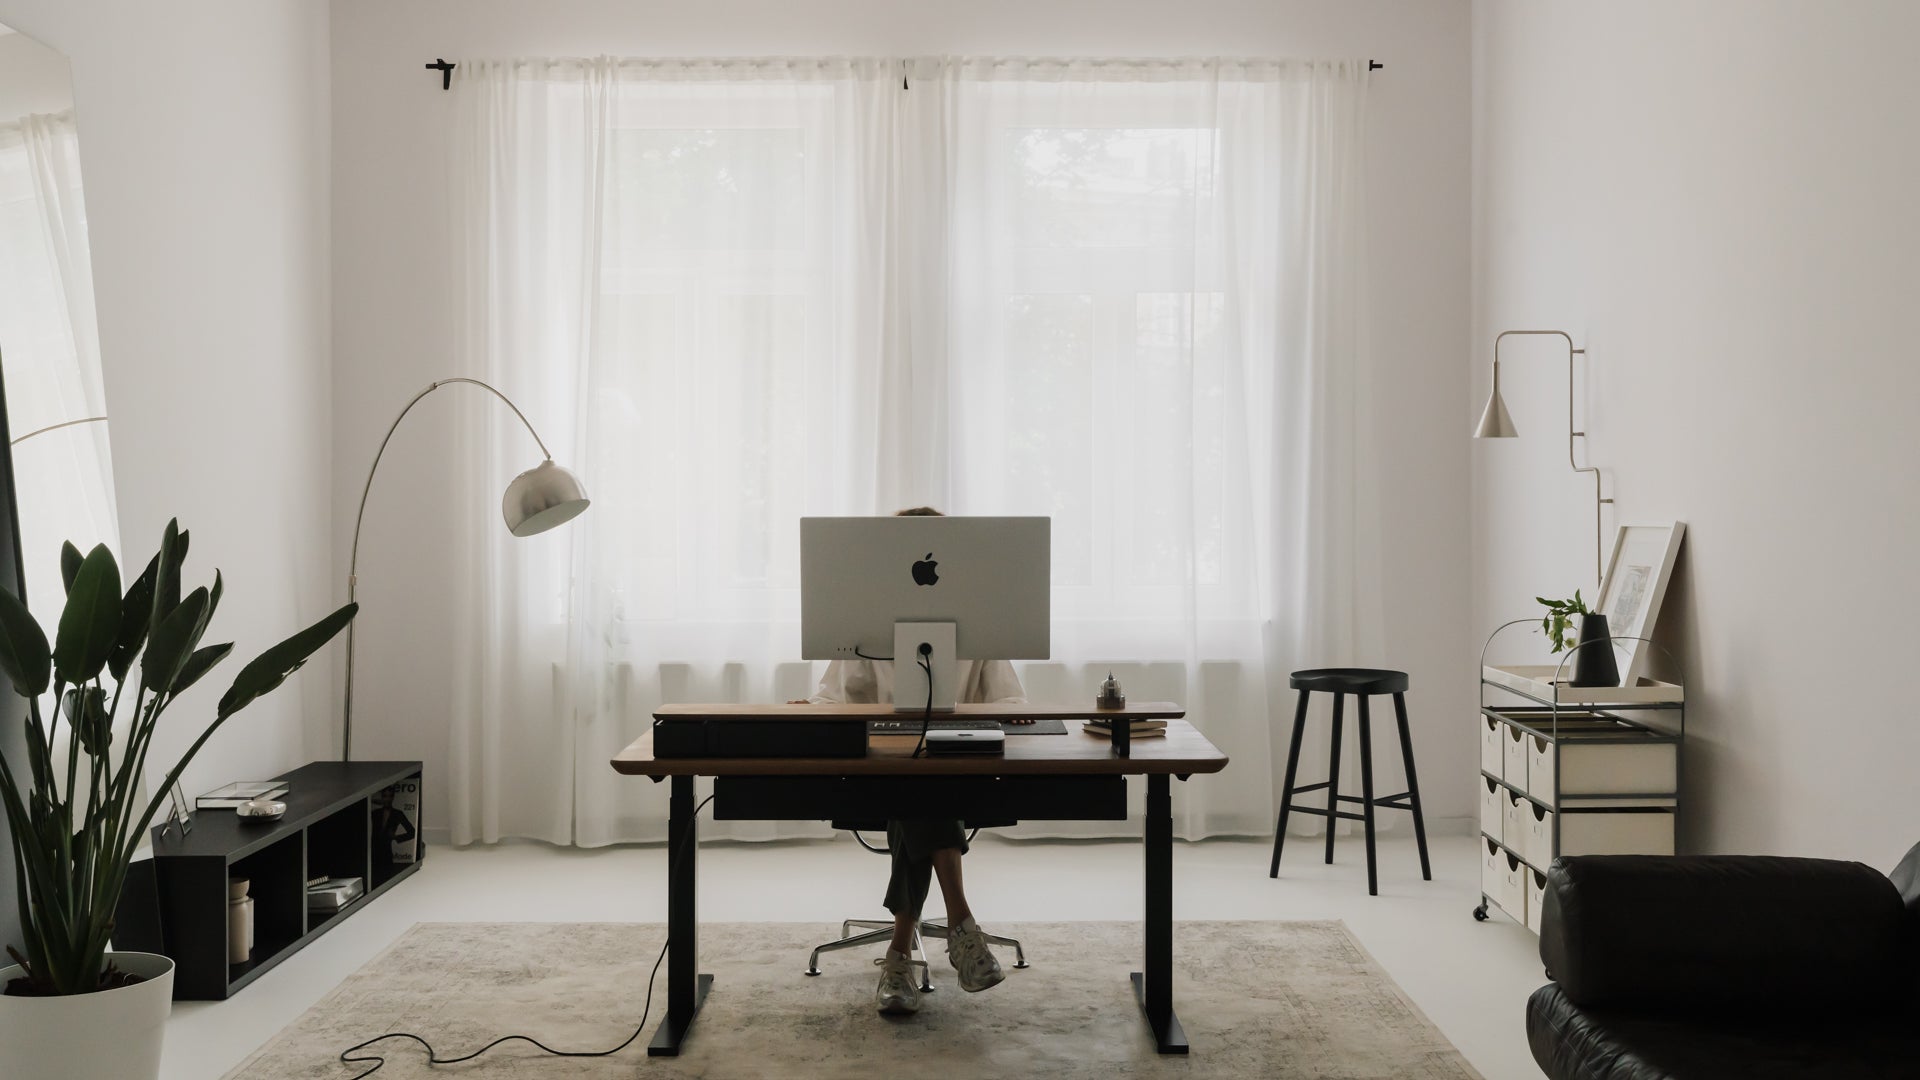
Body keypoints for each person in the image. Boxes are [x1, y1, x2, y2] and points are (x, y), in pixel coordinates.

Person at [792, 506, 1031, 1017]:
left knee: (922, 788)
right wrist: (813, 711)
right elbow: (834, 696)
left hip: (955, 767)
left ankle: (899, 956)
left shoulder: (978, 623)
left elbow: (1010, 699)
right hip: (884, 771)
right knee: (917, 787)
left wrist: (1014, 718)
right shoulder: (866, 626)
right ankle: (962, 928)